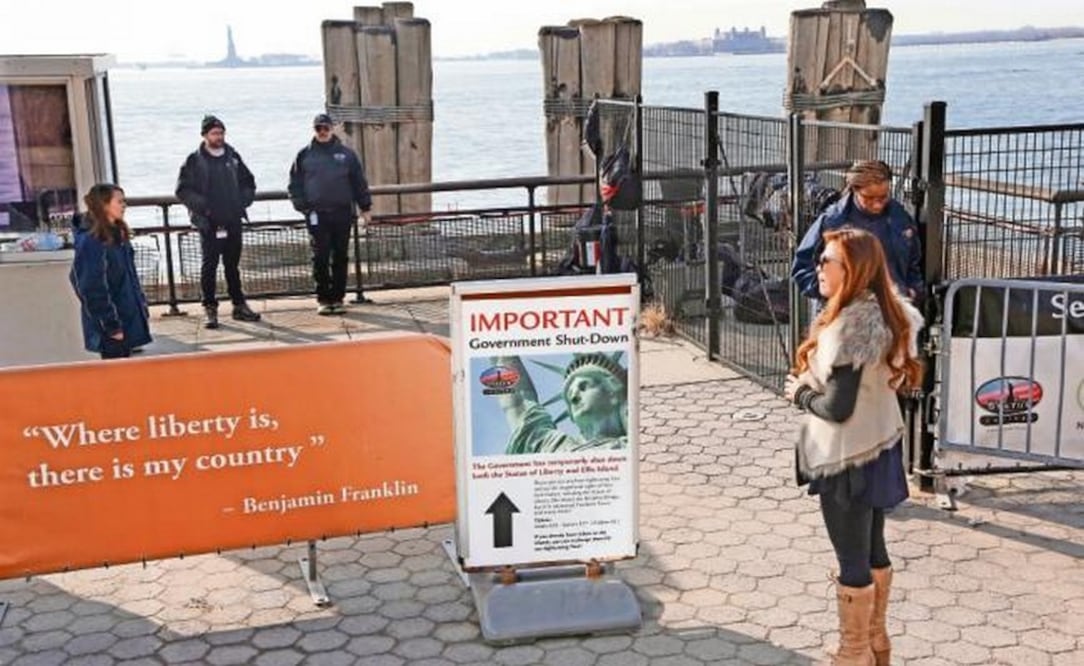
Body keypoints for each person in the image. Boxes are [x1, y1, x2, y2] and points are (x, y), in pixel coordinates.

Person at [784, 228, 923, 666]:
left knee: (851, 559)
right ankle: (876, 644)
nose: (818, 268)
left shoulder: (850, 328)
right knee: (873, 549)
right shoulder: (889, 314)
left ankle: (853, 653)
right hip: (879, 448)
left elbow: (838, 407)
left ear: (854, 270)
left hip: (846, 458)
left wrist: (799, 393)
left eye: (827, 261)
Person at [791, 160, 923, 304]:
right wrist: (831, 292)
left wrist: (913, 291)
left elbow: (913, 262)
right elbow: (802, 268)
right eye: (869, 198)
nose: (878, 204)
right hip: (844, 314)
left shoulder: (901, 219)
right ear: (854, 190)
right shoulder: (832, 222)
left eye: (883, 197)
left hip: (892, 309)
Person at [175, 114, 261, 328]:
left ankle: (239, 305)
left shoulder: (233, 156)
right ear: (205, 135)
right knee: (209, 266)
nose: (219, 136)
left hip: (232, 220)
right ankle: (210, 309)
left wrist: (243, 201)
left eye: (221, 132)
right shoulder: (194, 161)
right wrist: (204, 207)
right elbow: (182, 190)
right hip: (209, 222)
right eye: (214, 133)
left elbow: (248, 181)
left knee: (232, 266)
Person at [288, 113, 373, 314]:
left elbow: (359, 183)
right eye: (319, 128)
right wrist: (303, 207)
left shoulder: (347, 155)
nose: (323, 132)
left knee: (340, 256)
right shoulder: (304, 155)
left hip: (342, 212)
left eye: (326, 128)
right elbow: (294, 184)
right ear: (314, 130)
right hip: (317, 214)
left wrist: (365, 208)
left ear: (332, 129)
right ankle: (323, 299)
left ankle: (338, 297)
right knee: (320, 256)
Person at [70, 184, 152, 360]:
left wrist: (141, 306)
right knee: (115, 373)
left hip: (126, 316)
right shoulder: (92, 241)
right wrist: (111, 325)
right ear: (104, 204)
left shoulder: (118, 235)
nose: (124, 206)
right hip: (112, 324)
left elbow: (130, 278)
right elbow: (90, 286)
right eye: (119, 201)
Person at [492, 353, 628, 454]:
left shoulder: (638, 445)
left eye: (583, 386)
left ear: (613, 387)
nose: (574, 397)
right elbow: (520, 404)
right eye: (569, 398)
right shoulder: (555, 448)